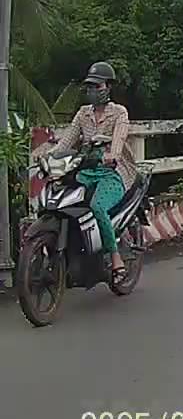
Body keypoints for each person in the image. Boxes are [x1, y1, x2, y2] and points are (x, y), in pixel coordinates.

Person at [50, 61, 136, 284]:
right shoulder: (83, 114)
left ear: (108, 87)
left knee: (97, 206)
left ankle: (115, 258)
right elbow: (67, 140)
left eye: (97, 86)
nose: (93, 91)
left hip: (113, 172)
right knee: (67, 201)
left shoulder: (119, 113)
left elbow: (119, 138)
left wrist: (112, 155)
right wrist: (48, 156)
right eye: (90, 86)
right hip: (86, 170)